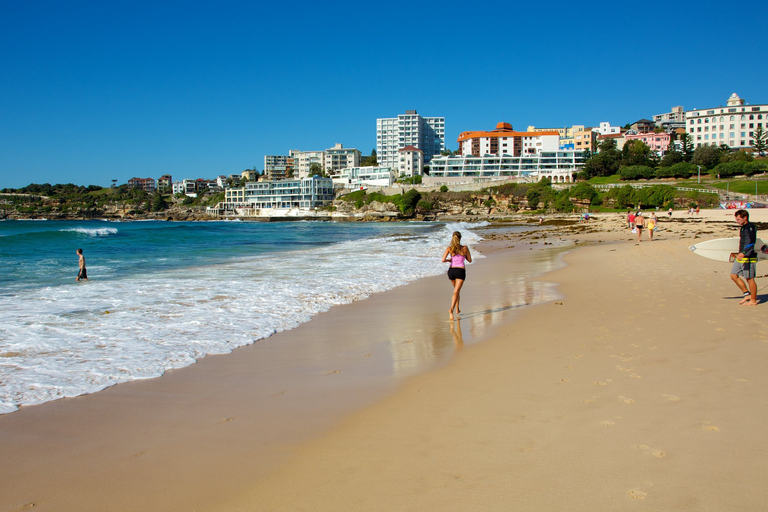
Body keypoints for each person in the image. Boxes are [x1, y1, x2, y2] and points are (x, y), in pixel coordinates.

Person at [730, 209, 759, 306]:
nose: (737, 221)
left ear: (745, 218)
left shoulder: (750, 228)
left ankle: (753, 300)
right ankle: (747, 294)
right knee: (733, 275)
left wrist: (743, 253)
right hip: (741, 256)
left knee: (749, 278)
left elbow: (751, 242)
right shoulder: (743, 228)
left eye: (738, 219)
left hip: (748, 256)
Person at [442, 231, 472, 320]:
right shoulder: (465, 248)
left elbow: (443, 260)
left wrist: (449, 260)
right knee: (456, 291)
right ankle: (451, 309)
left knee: (456, 291)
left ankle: (457, 309)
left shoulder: (449, 248)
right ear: (460, 238)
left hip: (451, 271)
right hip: (460, 271)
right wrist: (464, 256)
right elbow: (470, 260)